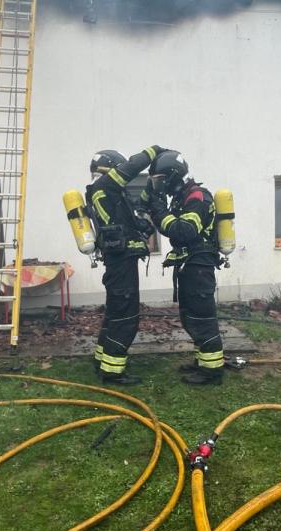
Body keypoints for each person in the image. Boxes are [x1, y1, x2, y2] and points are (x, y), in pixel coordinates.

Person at [86, 146, 165, 384]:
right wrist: (155, 151)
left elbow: (121, 220)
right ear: (109, 169)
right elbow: (132, 167)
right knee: (125, 316)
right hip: (121, 262)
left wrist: (141, 225)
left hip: (118, 261)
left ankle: (102, 358)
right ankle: (112, 371)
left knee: (114, 313)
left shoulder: (108, 194)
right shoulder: (105, 187)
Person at [146, 150, 225, 385]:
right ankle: (203, 361)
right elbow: (172, 228)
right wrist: (158, 211)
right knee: (190, 316)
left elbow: (184, 231)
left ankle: (212, 371)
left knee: (202, 317)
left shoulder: (198, 197)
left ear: (172, 176)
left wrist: (159, 209)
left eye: (160, 180)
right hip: (188, 264)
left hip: (199, 265)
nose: (159, 186)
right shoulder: (182, 197)